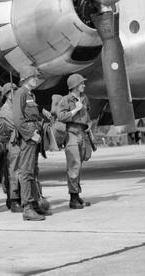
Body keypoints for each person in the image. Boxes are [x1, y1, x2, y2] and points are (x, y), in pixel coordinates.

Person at [11, 66, 47, 221]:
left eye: (36, 77)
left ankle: (34, 205)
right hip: (29, 138)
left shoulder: (30, 94)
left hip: (34, 136)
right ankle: (27, 208)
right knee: (26, 172)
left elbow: (31, 116)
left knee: (32, 171)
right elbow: (18, 120)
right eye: (33, 77)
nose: (36, 79)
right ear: (25, 78)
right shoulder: (20, 93)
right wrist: (31, 135)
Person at [57, 73, 93, 209]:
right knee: (74, 164)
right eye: (81, 83)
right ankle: (73, 198)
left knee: (80, 164)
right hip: (71, 133)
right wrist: (76, 110)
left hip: (83, 133)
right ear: (75, 86)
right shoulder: (66, 100)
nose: (84, 85)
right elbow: (61, 116)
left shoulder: (84, 98)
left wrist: (89, 123)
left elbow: (88, 113)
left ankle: (77, 195)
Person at [0, 82, 21, 213]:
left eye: (16, 90)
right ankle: (14, 199)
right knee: (13, 172)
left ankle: (20, 197)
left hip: (21, 142)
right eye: (12, 91)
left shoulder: (17, 106)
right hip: (13, 143)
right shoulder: (6, 109)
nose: (15, 93)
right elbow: (16, 124)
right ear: (8, 95)